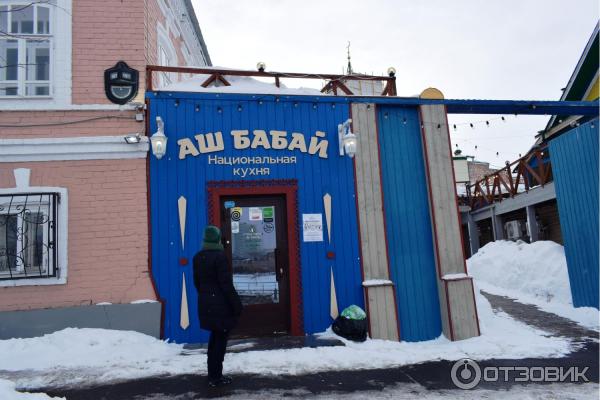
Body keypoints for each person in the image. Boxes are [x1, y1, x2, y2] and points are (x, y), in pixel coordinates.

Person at [193, 225, 242, 387]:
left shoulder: (198, 257)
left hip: (206, 303)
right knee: (220, 341)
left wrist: (207, 297)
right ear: (217, 238)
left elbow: (197, 283)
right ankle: (216, 377)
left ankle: (213, 374)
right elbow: (226, 285)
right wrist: (237, 305)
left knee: (214, 339)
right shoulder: (219, 257)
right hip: (221, 305)